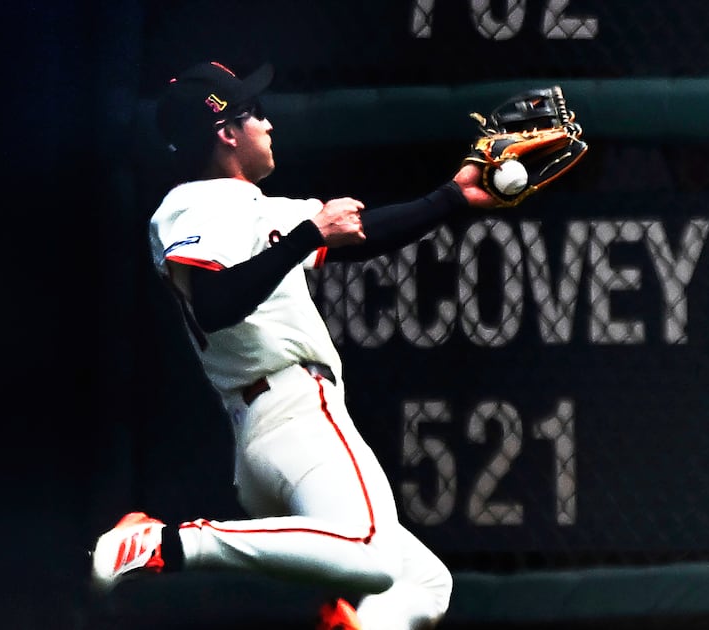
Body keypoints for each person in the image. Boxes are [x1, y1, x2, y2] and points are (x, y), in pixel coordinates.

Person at [89, 60, 499, 630]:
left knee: (423, 583)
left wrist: (452, 197)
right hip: (293, 413)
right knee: (375, 560)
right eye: (253, 112)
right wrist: (311, 233)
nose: (268, 123)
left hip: (266, 434)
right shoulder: (201, 203)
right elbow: (216, 301)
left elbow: (362, 234)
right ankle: (163, 544)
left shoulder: (248, 208)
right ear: (225, 132)